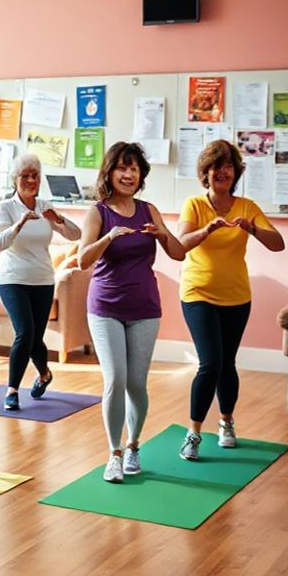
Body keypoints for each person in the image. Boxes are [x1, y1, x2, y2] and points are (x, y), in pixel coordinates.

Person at [78, 142, 185, 484]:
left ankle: (134, 445)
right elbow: (83, 260)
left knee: (137, 383)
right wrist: (109, 237)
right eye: (122, 168)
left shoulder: (148, 210)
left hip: (145, 308)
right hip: (105, 307)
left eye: (134, 169)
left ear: (141, 177)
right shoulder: (98, 213)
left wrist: (163, 234)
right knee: (115, 379)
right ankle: (114, 453)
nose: (127, 174)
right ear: (109, 172)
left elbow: (179, 253)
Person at [176, 140, 284, 458]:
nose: (222, 172)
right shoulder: (194, 205)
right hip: (197, 294)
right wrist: (207, 229)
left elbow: (278, 244)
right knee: (209, 363)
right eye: (216, 166)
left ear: (235, 172)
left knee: (227, 364)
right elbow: (180, 244)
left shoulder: (247, 207)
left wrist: (252, 229)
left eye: (228, 166)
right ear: (205, 172)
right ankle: (193, 433)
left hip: (237, 297)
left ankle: (226, 422)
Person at [0, 153, 81, 411]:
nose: (31, 180)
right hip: (12, 280)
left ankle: (44, 374)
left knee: (34, 338)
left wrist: (59, 219)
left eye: (35, 175)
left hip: (43, 280)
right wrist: (20, 222)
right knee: (25, 333)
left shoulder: (45, 206)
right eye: (25, 176)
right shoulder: (6, 208)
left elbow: (76, 235)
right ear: (15, 179)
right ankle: (12, 390)